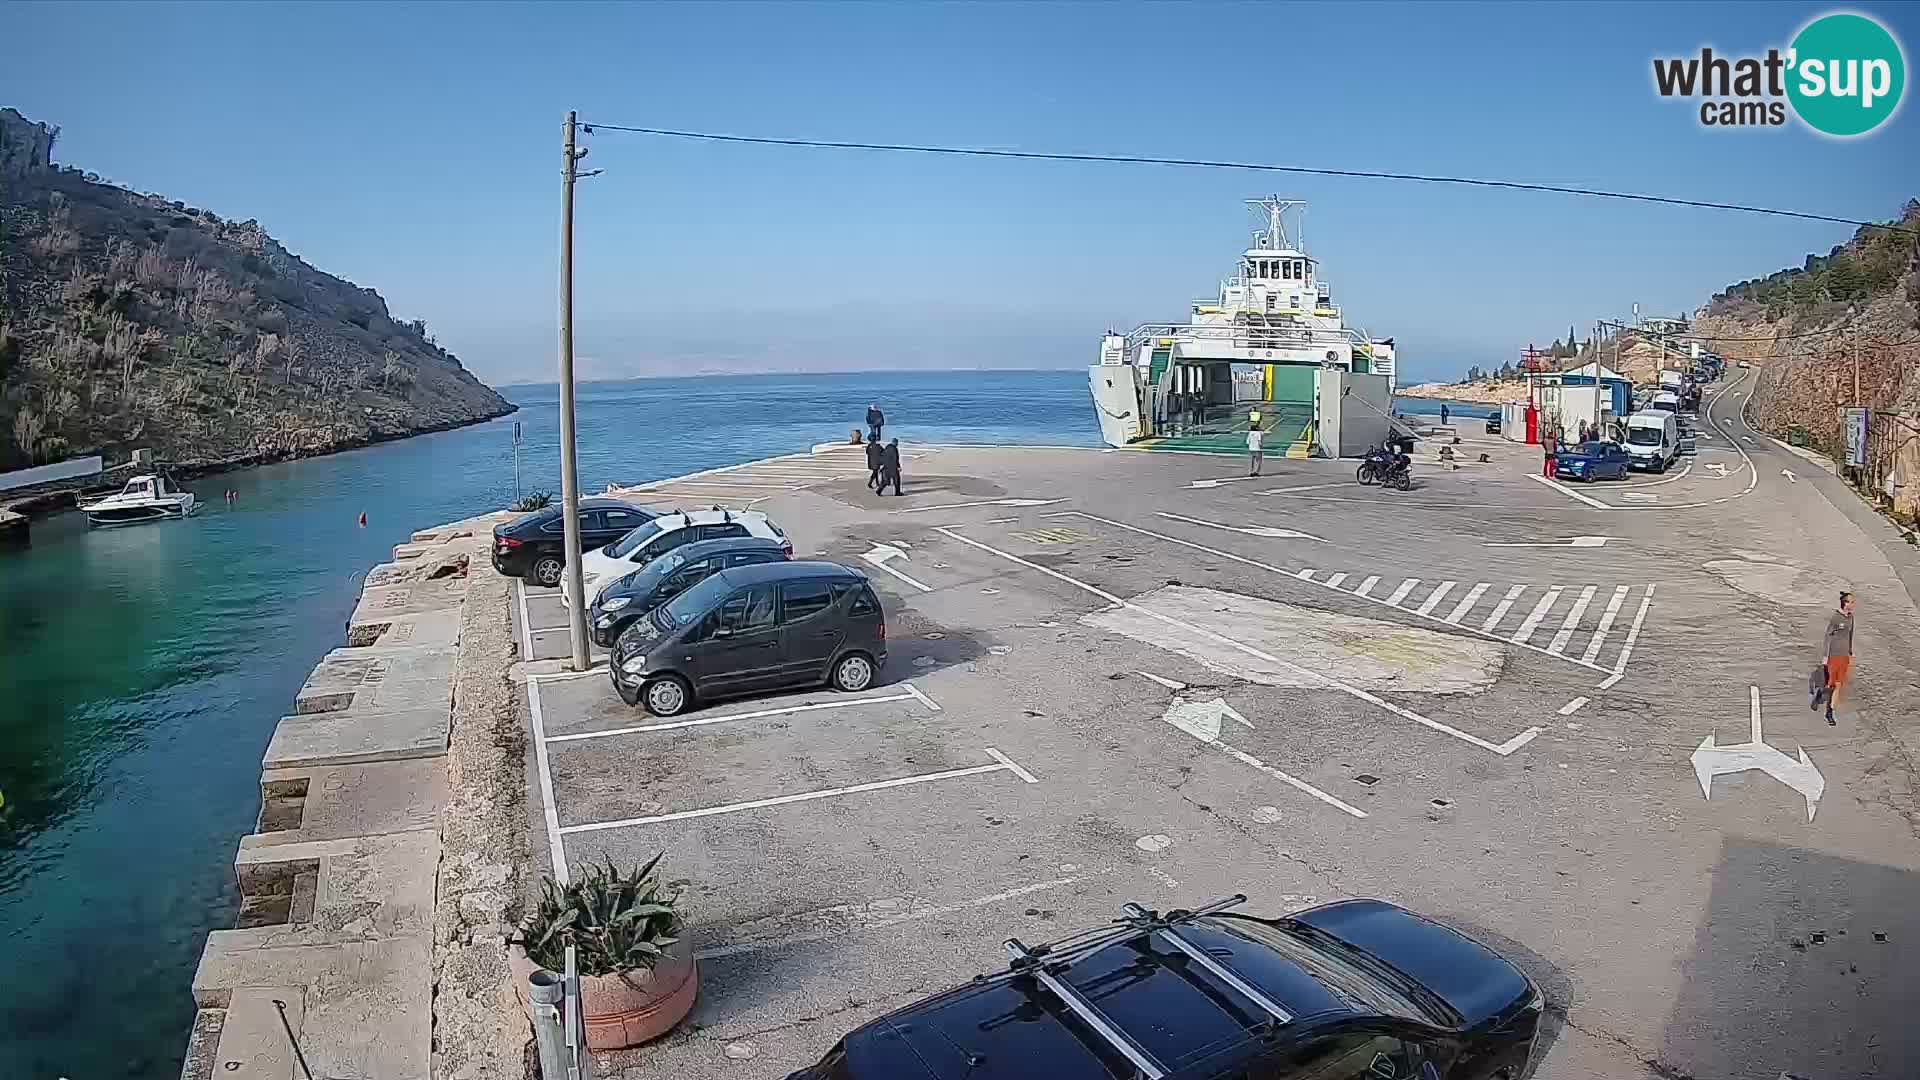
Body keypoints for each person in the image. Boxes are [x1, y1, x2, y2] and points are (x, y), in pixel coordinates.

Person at [1813, 591, 1855, 725]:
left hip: (1844, 657)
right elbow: (1827, 637)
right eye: (1851, 602)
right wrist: (1826, 656)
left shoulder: (1851, 618)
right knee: (1830, 684)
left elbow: (1850, 635)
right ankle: (1820, 694)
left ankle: (1829, 712)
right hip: (1833, 656)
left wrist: (1850, 651)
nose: (1853, 604)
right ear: (1845, 603)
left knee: (1838, 684)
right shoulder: (1835, 618)